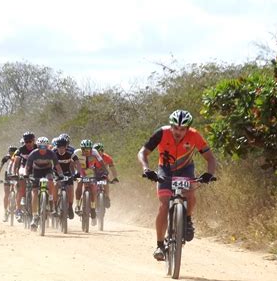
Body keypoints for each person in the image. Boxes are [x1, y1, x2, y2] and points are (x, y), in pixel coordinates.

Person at [137, 109, 217, 261]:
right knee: (164, 205)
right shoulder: (161, 133)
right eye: (175, 128)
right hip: (165, 169)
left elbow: (210, 158)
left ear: (187, 128)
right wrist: (146, 169)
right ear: (171, 126)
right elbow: (142, 152)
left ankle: (187, 220)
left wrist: (209, 174)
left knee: (190, 193)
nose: (178, 132)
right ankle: (160, 245)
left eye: (182, 129)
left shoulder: (195, 136)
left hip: (185, 169)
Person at [25, 136, 64, 229]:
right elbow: (27, 166)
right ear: (37, 146)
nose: (43, 149)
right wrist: (26, 175)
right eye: (40, 147)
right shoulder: (33, 154)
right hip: (36, 172)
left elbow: (57, 166)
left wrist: (61, 174)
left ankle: (50, 198)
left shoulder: (51, 154)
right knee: (34, 192)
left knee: (51, 180)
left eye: (45, 147)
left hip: (47, 170)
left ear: (47, 147)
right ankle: (34, 216)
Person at [73, 139, 107, 225]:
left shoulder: (95, 152)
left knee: (93, 189)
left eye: (88, 149)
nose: (86, 151)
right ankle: (77, 205)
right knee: (79, 183)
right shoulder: (76, 152)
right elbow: (71, 164)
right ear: (81, 149)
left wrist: (105, 171)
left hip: (90, 172)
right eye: (84, 149)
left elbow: (101, 163)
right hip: (80, 172)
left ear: (91, 149)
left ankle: (92, 208)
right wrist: (73, 174)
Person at [52, 137, 82, 219]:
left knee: (70, 188)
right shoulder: (53, 152)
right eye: (59, 147)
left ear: (66, 147)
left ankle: (70, 207)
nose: (61, 149)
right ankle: (55, 207)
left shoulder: (71, 152)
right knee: (55, 185)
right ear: (56, 147)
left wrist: (78, 173)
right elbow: (48, 163)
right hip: (56, 172)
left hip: (67, 172)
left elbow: (77, 163)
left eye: (63, 147)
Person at [13, 131, 37, 222]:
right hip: (24, 168)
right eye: (26, 142)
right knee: (22, 177)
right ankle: (22, 199)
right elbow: (16, 163)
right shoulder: (21, 150)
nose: (28, 144)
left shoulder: (37, 148)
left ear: (33, 141)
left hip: (35, 168)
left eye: (30, 142)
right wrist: (16, 173)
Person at [93, 142, 119, 208]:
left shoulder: (107, 158)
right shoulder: (91, 158)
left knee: (105, 182)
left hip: (103, 173)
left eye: (99, 151)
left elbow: (112, 168)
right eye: (96, 152)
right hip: (93, 173)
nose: (97, 153)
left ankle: (107, 197)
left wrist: (115, 177)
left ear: (102, 151)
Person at [0, 145, 18, 222]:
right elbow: (0, 167)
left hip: (15, 175)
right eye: (10, 152)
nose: (11, 154)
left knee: (17, 190)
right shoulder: (6, 158)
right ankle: (5, 211)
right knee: (6, 193)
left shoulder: (18, 157)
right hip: (8, 176)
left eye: (12, 152)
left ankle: (17, 207)